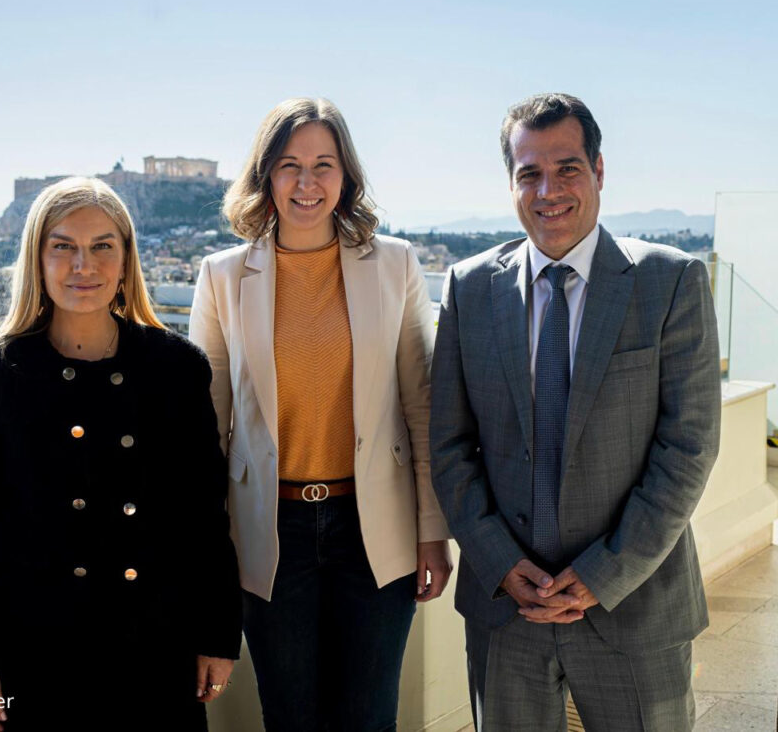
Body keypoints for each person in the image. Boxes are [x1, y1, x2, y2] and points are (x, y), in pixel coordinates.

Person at [429, 93, 721, 731]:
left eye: (567, 168)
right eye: (529, 173)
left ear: (599, 171)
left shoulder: (671, 282)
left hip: (636, 607)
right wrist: (501, 564)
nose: (548, 191)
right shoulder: (468, 289)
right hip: (507, 611)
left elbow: (689, 446)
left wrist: (603, 573)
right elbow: (448, 446)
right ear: (511, 182)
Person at [0, 177, 241, 731]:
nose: (83, 265)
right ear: (37, 259)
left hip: (156, 649)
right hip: (39, 654)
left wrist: (216, 635)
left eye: (102, 246)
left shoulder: (176, 368)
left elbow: (203, 515)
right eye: (63, 246)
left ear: (125, 259)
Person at [189, 97, 453, 732]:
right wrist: (207, 545)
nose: (306, 182)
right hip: (268, 530)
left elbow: (421, 402)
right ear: (265, 176)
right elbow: (207, 424)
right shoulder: (222, 275)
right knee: (291, 717)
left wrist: (432, 529)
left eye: (323, 164)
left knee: (368, 717)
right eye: (289, 165)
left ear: (346, 175)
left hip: (375, 525)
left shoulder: (395, 264)